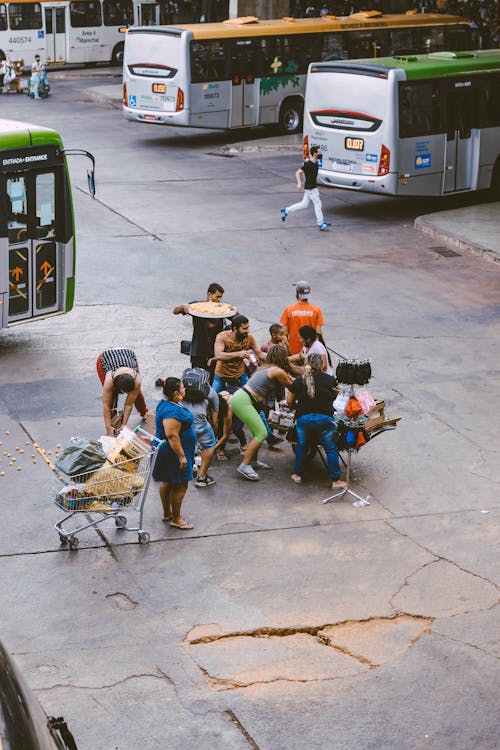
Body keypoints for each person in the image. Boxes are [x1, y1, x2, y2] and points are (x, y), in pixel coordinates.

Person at [231, 345, 296, 481]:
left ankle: (253, 461)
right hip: (244, 400)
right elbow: (293, 386)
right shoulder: (276, 371)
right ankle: (244, 465)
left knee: (255, 432)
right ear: (282, 358)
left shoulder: (266, 368)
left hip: (243, 399)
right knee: (262, 433)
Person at [286, 353, 346, 490]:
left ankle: (298, 475)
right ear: (320, 365)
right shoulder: (330, 380)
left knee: (301, 445)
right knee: (330, 448)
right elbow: (338, 399)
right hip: (324, 419)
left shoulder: (298, 380)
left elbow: (289, 402)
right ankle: (335, 481)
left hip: (304, 419)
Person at [153, 377, 196, 529]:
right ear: (176, 393)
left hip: (169, 450)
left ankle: (167, 513)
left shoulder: (166, 402)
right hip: (173, 453)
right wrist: (182, 457)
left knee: (168, 481)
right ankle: (176, 519)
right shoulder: (171, 412)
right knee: (180, 485)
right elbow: (172, 435)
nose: (185, 390)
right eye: (183, 388)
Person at [173, 282, 226, 376]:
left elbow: (236, 317)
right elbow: (175, 311)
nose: (219, 300)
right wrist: (182, 307)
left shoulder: (222, 309)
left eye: (220, 297)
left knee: (213, 378)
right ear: (209, 295)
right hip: (198, 350)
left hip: (214, 352)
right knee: (197, 379)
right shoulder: (197, 306)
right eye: (217, 297)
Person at [96, 348, 148, 436]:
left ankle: (144, 412)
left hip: (128, 354)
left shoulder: (137, 379)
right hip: (105, 358)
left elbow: (128, 404)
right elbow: (106, 405)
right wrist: (108, 428)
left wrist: (124, 425)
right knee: (111, 398)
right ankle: (113, 424)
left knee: (136, 393)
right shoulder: (110, 380)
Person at [181, 375, 219, 488]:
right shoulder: (211, 393)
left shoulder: (181, 389)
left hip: (182, 423)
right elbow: (215, 420)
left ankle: (185, 472)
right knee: (209, 445)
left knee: (186, 447)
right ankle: (201, 477)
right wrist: (214, 434)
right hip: (200, 425)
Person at [280, 146, 330, 231]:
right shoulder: (308, 165)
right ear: (315, 154)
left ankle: (286, 210)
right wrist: (299, 183)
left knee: (304, 204)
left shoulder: (316, 162)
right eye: (319, 151)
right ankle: (320, 223)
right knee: (318, 204)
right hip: (311, 188)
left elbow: (320, 157)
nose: (320, 153)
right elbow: (297, 172)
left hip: (310, 188)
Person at [211, 314, 264, 393]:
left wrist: (280, 357)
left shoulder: (249, 337)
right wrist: (238, 354)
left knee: (252, 395)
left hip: (240, 375)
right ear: (235, 329)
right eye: (244, 328)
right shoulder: (222, 337)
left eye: (248, 328)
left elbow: (260, 354)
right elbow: (218, 355)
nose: (247, 331)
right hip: (221, 376)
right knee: (212, 398)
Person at [280, 280, 325, 355]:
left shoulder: (289, 310)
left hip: (293, 352)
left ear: (297, 292)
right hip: (311, 352)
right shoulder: (316, 310)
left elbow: (284, 334)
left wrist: (288, 351)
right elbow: (318, 333)